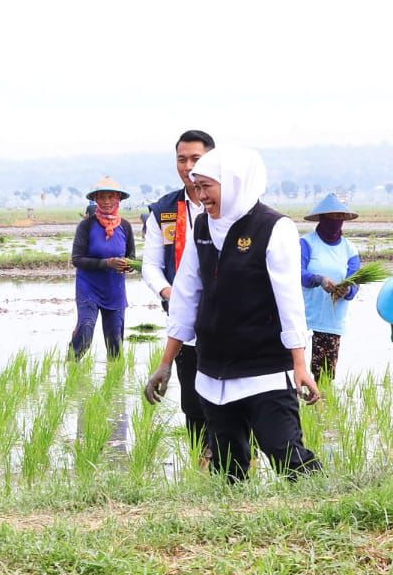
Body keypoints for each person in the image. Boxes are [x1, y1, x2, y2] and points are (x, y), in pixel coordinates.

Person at [145, 147, 322, 483]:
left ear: (234, 183)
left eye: (207, 186)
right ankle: (232, 525)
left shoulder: (274, 228)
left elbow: (290, 302)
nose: (200, 196)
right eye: (197, 188)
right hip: (213, 372)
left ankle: (330, 508)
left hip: (264, 368)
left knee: (285, 453)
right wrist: (166, 363)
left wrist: (300, 365)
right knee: (228, 466)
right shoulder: (202, 227)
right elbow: (185, 296)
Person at [142, 129, 215, 449]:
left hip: (227, 320)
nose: (187, 166)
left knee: (233, 398)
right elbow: (151, 266)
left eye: (195, 159)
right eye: (181, 160)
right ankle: (203, 464)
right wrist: (169, 293)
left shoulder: (232, 204)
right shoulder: (165, 211)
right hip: (184, 324)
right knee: (193, 401)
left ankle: (238, 463)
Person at [70, 178, 135, 359]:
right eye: (102, 198)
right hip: (88, 288)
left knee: (115, 342)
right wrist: (106, 263)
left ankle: (114, 382)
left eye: (111, 197)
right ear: (96, 200)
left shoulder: (125, 227)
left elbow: (131, 256)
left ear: (118, 199)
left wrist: (128, 265)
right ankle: (70, 368)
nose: (106, 201)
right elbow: (77, 259)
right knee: (85, 332)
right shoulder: (86, 226)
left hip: (115, 290)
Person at [300, 193, 362, 379]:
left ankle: (321, 408)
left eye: (340, 217)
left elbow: (355, 281)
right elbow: (297, 273)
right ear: (322, 218)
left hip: (331, 321)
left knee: (324, 377)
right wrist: (319, 279)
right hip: (303, 318)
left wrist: (347, 290)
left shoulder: (349, 249)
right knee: (294, 373)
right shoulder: (306, 243)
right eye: (332, 216)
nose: (336, 221)